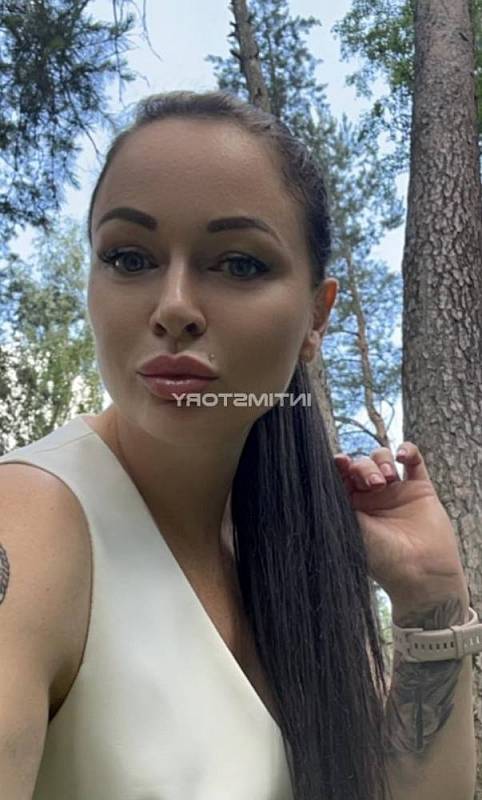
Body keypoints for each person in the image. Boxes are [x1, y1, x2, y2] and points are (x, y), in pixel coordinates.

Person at [0, 90, 476, 800]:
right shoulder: (31, 519)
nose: (174, 308)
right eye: (129, 257)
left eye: (240, 264)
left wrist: (430, 596)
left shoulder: (293, 561)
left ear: (316, 319)